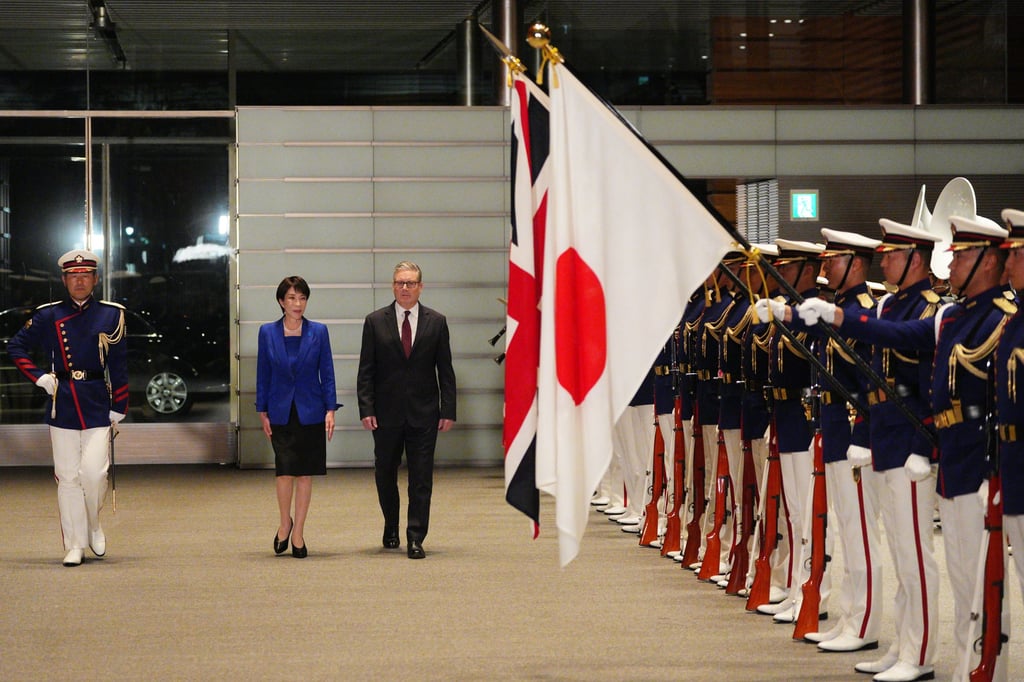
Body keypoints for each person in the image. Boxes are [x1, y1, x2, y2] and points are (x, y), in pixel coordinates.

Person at [797, 215, 1013, 682]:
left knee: (979, 579)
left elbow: (975, 396)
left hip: (978, 459)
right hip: (952, 456)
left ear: (987, 261)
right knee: (954, 571)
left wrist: (925, 444)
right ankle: (943, 660)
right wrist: (833, 315)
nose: (950, 263)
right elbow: (895, 337)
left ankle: (963, 663)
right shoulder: (951, 316)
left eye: (961, 255)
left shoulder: (1000, 317)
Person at [8, 249, 129, 567]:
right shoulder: (48, 315)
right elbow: (15, 346)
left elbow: (118, 364)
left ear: (96, 279)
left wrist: (120, 404)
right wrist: (39, 378)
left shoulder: (111, 314)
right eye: (73, 276)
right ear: (64, 280)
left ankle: (93, 524)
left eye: (85, 275)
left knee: (93, 474)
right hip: (61, 402)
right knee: (67, 477)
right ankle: (74, 543)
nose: (79, 281)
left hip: (96, 402)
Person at [357, 261, 456, 559]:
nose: (405, 288)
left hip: (424, 414)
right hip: (385, 414)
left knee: (421, 478)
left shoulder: (436, 322)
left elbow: (446, 370)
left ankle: (415, 536)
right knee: (385, 473)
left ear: (420, 287)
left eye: (410, 283)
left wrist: (447, 409)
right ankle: (390, 525)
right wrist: (366, 408)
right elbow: (366, 370)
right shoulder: (375, 321)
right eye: (400, 282)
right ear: (392, 285)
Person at [255, 276, 338, 559]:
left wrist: (330, 410)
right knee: (284, 471)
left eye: (302, 298)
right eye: (291, 298)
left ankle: (299, 531)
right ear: (281, 301)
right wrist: (261, 410)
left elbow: (326, 372)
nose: (297, 303)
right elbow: (263, 374)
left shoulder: (319, 331)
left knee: (305, 472)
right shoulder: (267, 332)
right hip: (279, 410)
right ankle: (284, 523)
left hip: (311, 409)